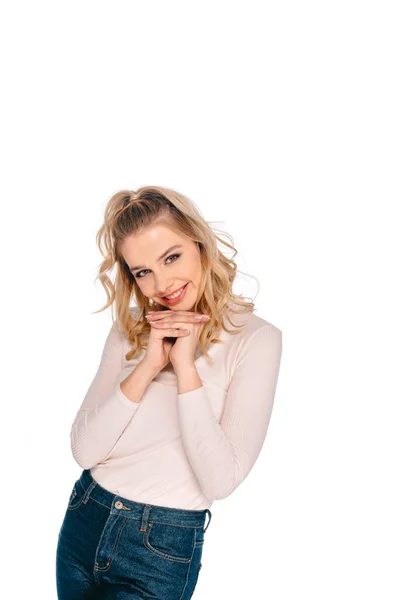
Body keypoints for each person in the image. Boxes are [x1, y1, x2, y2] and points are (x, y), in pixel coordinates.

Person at [56, 186, 283, 599]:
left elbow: (220, 479)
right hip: (85, 521)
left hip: (159, 548)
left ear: (199, 244)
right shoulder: (129, 328)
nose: (162, 283)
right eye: (142, 271)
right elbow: (85, 451)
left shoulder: (256, 339)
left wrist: (184, 368)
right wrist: (148, 364)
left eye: (171, 257)